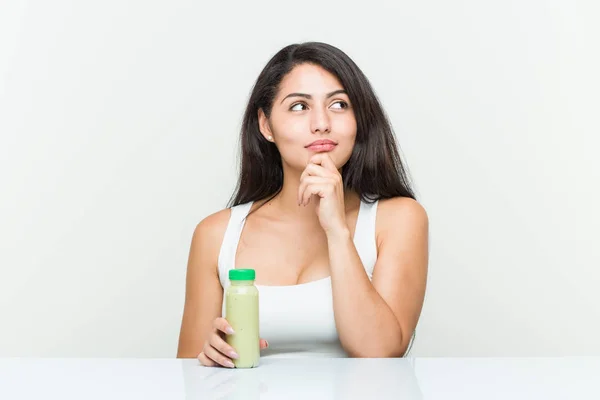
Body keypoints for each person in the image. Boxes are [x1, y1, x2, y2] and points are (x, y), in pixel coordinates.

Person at [176, 42, 429, 367]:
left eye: (339, 104)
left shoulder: (398, 219)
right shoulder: (215, 234)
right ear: (266, 125)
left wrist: (337, 230)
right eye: (299, 107)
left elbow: (379, 351)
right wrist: (209, 354)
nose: (321, 123)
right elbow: (184, 373)